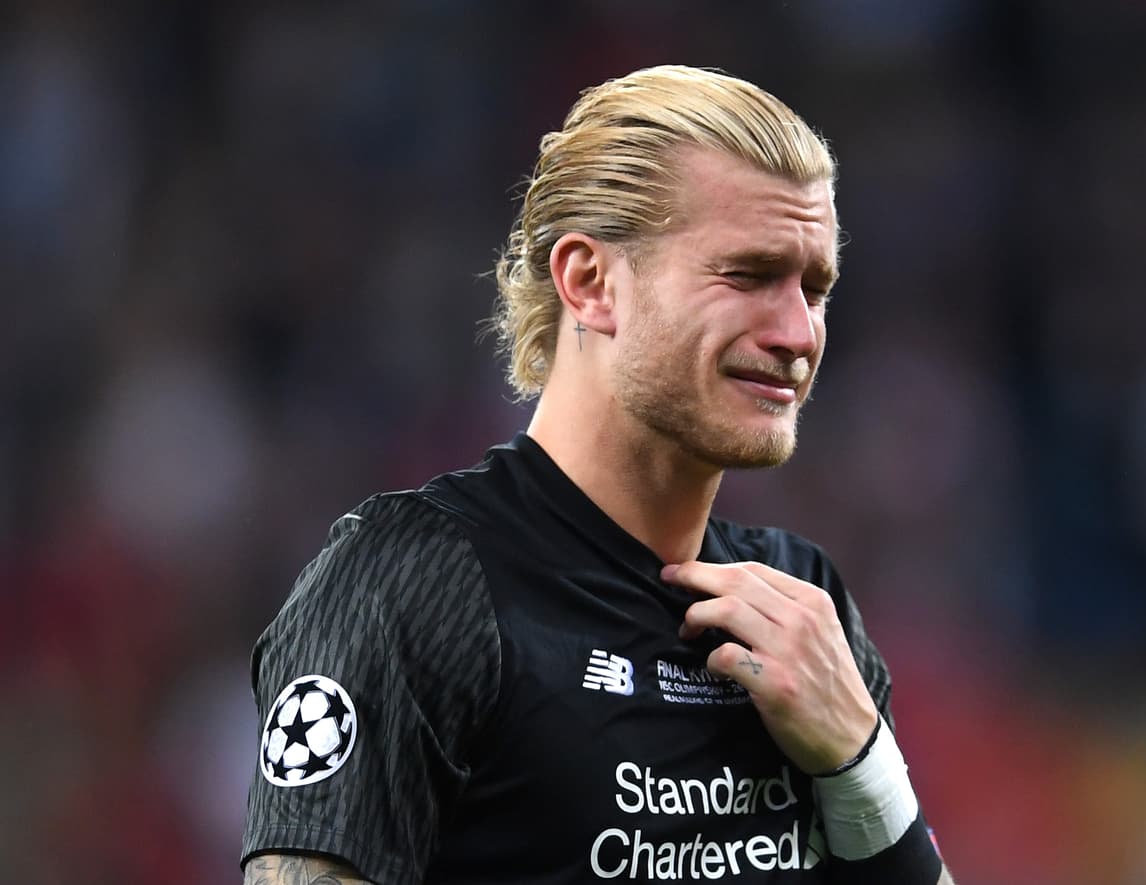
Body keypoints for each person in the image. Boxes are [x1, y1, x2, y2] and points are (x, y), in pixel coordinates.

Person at [241, 65, 953, 885]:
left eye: (815, 288)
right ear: (589, 282)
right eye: (748, 275)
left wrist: (862, 764)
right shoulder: (409, 585)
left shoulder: (801, 602)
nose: (797, 332)